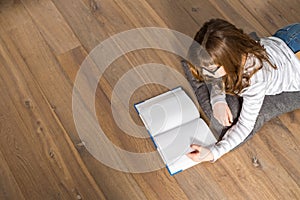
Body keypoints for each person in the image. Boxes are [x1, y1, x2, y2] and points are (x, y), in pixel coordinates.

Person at [186, 19, 300, 162]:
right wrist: (218, 100)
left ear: (229, 61)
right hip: (289, 35)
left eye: (211, 70)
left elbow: (245, 126)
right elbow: (217, 77)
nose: (206, 75)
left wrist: (213, 152)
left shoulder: (255, 81)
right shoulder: (237, 47)